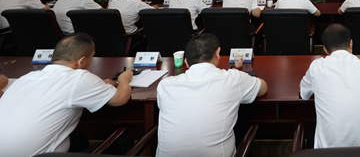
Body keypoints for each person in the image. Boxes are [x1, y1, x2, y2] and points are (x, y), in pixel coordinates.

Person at [0, 33, 133, 156]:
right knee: (124, 142)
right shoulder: (78, 78)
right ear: (81, 61)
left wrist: (99, 86)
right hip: (38, 155)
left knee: (80, 139)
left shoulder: (26, 78)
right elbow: (120, 98)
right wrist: (123, 79)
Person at [156, 34, 267, 157]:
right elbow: (262, 88)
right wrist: (241, 77)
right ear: (217, 53)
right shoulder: (233, 79)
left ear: (186, 62)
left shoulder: (165, 85)